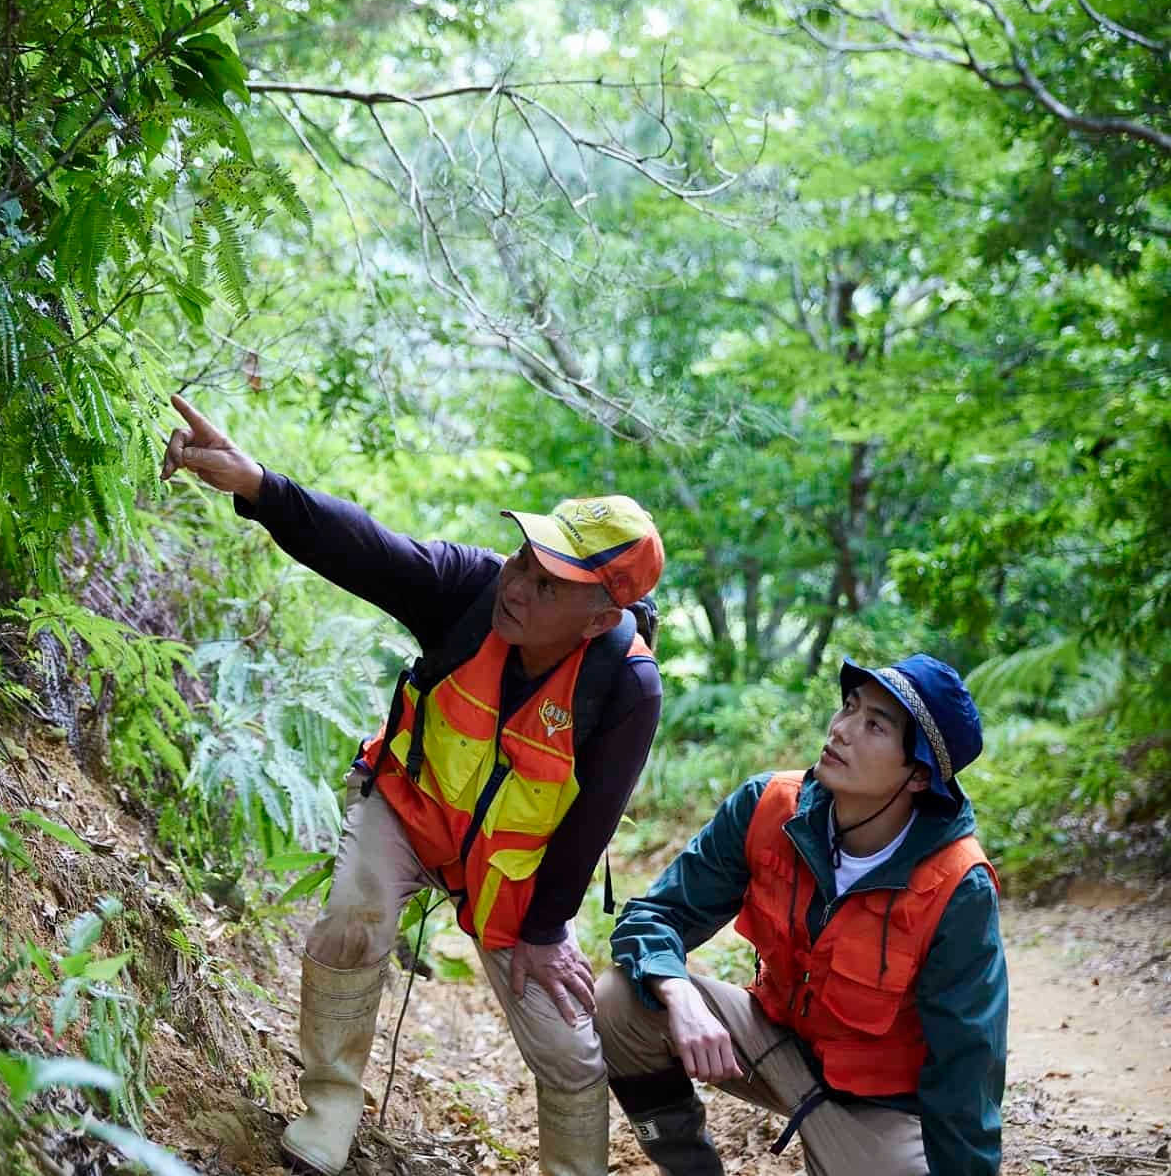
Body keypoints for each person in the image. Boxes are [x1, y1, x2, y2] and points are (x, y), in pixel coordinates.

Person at [160, 395, 666, 1176]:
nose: (519, 585)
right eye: (525, 559)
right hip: (408, 809)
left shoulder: (624, 689)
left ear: (600, 619)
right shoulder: (469, 589)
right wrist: (258, 484)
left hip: (510, 877)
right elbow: (365, 547)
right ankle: (328, 1108)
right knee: (352, 916)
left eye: (549, 583)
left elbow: (588, 827)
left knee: (570, 1045)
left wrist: (544, 929)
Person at [595, 655, 1007, 1175]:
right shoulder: (768, 806)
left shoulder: (955, 885)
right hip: (773, 1046)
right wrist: (679, 994)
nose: (842, 730)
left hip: (876, 1105)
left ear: (920, 775)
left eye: (875, 725)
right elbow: (655, 915)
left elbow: (968, 1067)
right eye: (850, 707)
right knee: (619, 999)